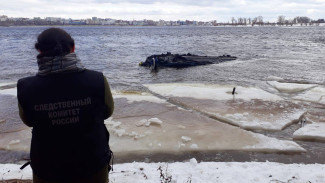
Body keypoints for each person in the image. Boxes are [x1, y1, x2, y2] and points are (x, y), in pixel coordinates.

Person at [17, 28, 114, 183]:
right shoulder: (97, 80)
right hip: (92, 163)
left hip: (47, 166)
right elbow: (108, 111)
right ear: (73, 48)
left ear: (40, 51)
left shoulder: (25, 87)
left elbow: (28, 120)